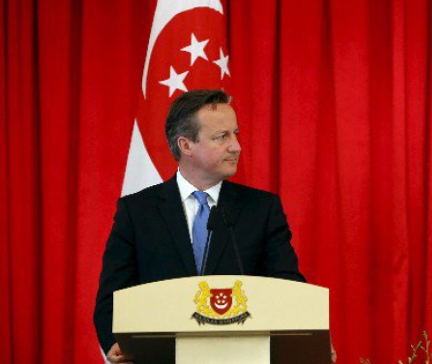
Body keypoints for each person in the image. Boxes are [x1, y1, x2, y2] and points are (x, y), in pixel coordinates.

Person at [94, 90, 305, 363]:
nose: (236, 146)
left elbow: (289, 289)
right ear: (186, 145)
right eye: (222, 137)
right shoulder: (137, 212)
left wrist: (305, 342)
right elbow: (112, 297)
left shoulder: (262, 210)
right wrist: (115, 343)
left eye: (236, 133)